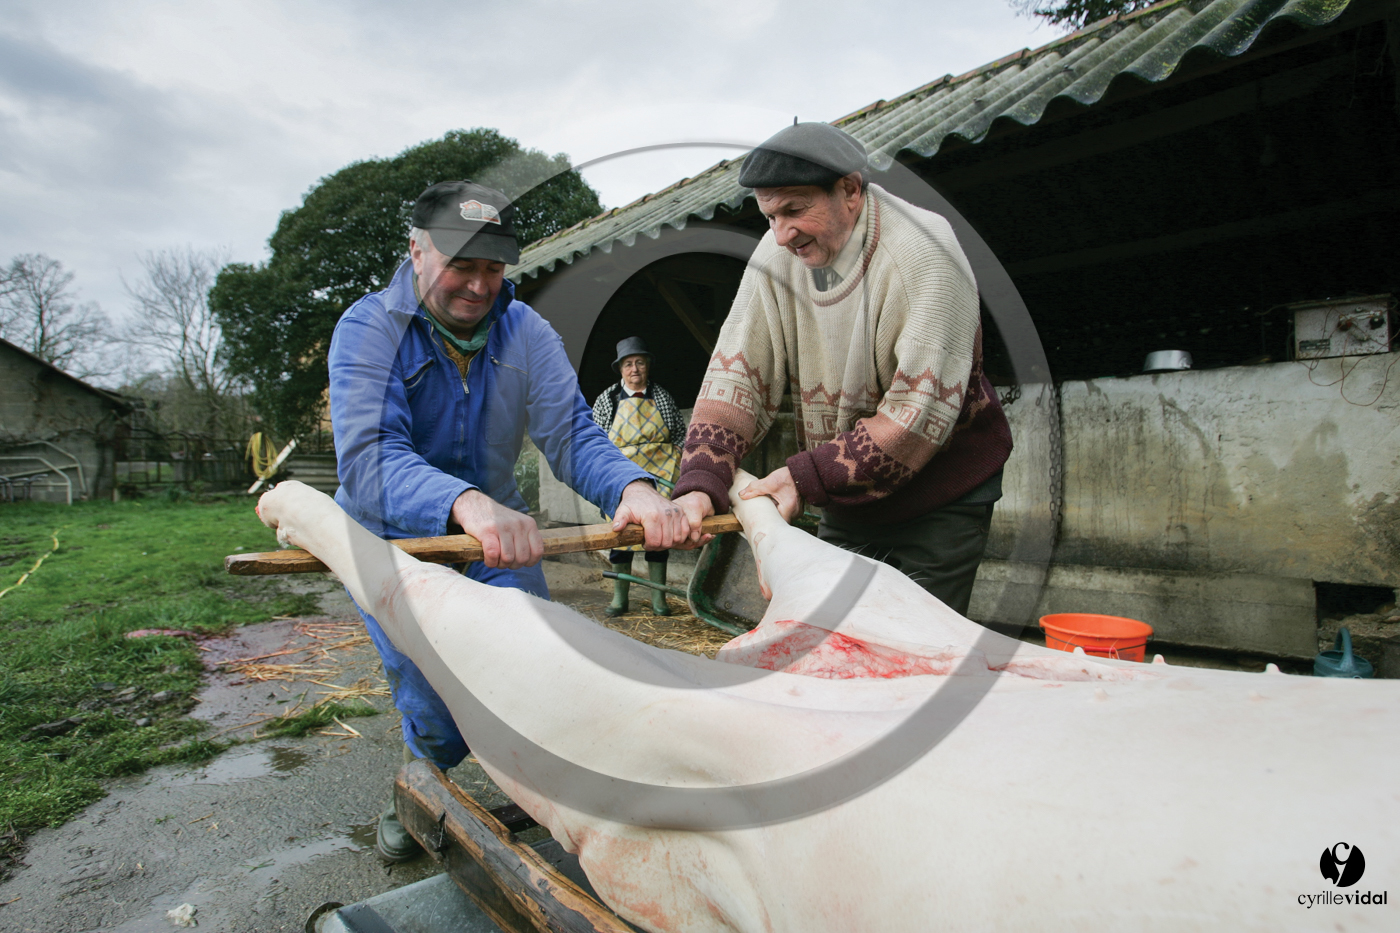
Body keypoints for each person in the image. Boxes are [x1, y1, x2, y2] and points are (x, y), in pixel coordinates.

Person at [328, 181, 688, 862]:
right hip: (394, 538)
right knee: (440, 709)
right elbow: (370, 460)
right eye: (461, 265)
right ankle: (419, 783)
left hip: (496, 532)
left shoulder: (526, 332)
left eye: (493, 268)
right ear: (416, 249)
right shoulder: (369, 330)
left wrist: (633, 488)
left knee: (535, 667)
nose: (479, 285)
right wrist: (463, 501)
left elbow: (573, 433)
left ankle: (547, 801)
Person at [672, 123, 1012, 616]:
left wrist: (805, 476)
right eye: (769, 216)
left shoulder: (925, 253)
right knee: (834, 635)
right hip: (848, 497)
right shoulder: (776, 255)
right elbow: (737, 374)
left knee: (914, 650)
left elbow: (918, 417)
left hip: (941, 498)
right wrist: (701, 479)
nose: (782, 234)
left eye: (795, 210)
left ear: (850, 190)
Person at [590, 337, 687, 617]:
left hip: (659, 475)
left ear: (647, 366)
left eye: (640, 363)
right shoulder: (607, 400)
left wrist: (676, 454)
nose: (634, 369)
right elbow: (595, 440)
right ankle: (620, 600)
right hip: (622, 476)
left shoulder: (662, 396)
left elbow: (680, 432)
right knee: (622, 535)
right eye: (628, 364)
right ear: (620, 369)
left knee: (659, 535)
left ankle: (660, 600)